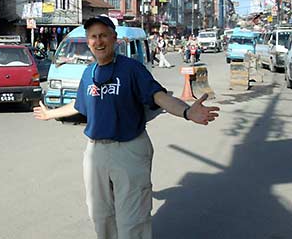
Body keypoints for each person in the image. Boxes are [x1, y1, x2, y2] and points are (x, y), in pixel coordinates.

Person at [33, 15, 219, 239]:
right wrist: (49, 113)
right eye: (93, 37)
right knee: (101, 216)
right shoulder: (88, 73)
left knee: (133, 220)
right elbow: (78, 105)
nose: (98, 41)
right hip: (96, 152)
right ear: (88, 41)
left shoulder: (132, 69)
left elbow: (159, 96)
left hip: (129, 149)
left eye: (103, 35)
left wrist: (187, 112)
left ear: (114, 38)